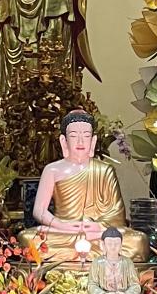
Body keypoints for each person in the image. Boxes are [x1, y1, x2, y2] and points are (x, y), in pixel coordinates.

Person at [24, 111, 147, 266]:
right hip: (63, 231)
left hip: (97, 233)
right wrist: (61, 224)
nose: (80, 141)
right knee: (28, 239)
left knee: (138, 241)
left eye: (86, 135)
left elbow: (117, 213)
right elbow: (39, 211)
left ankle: (77, 253)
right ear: (64, 140)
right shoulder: (52, 170)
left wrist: (98, 226)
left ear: (93, 140)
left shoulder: (104, 170)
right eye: (74, 135)